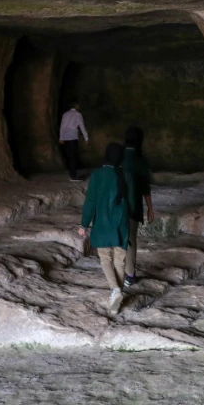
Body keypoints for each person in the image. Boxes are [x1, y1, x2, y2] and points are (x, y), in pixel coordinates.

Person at [79, 142, 136, 315]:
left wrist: (84, 223)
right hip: (121, 221)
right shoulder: (126, 174)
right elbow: (132, 201)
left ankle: (115, 290)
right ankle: (117, 294)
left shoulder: (97, 175)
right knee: (120, 259)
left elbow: (91, 201)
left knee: (105, 258)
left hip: (103, 222)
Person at [121, 126, 154, 289]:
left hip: (116, 206)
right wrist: (150, 208)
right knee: (130, 241)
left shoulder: (117, 157)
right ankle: (130, 275)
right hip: (133, 206)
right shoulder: (141, 160)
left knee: (117, 238)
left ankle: (115, 272)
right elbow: (145, 188)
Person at [59, 100, 89, 181]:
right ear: (76, 105)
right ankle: (73, 176)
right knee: (73, 156)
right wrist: (86, 137)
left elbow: (62, 126)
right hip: (72, 136)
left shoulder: (65, 114)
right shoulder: (77, 114)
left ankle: (71, 173)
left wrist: (61, 137)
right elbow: (82, 126)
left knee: (69, 155)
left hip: (65, 136)